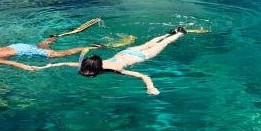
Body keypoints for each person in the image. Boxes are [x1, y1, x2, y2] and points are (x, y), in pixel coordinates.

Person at [38, 27, 187, 94]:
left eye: (88, 73)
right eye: (84, 72)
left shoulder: (116, 70)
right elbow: (64, 62)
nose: (85, 74)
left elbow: (144, 76)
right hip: (127, 52)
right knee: (148, 43)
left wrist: (150, 88)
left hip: (138, 56)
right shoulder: (84, 65)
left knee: (162, 44)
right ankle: (169, 33)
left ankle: (179, 33)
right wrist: (45, 67)